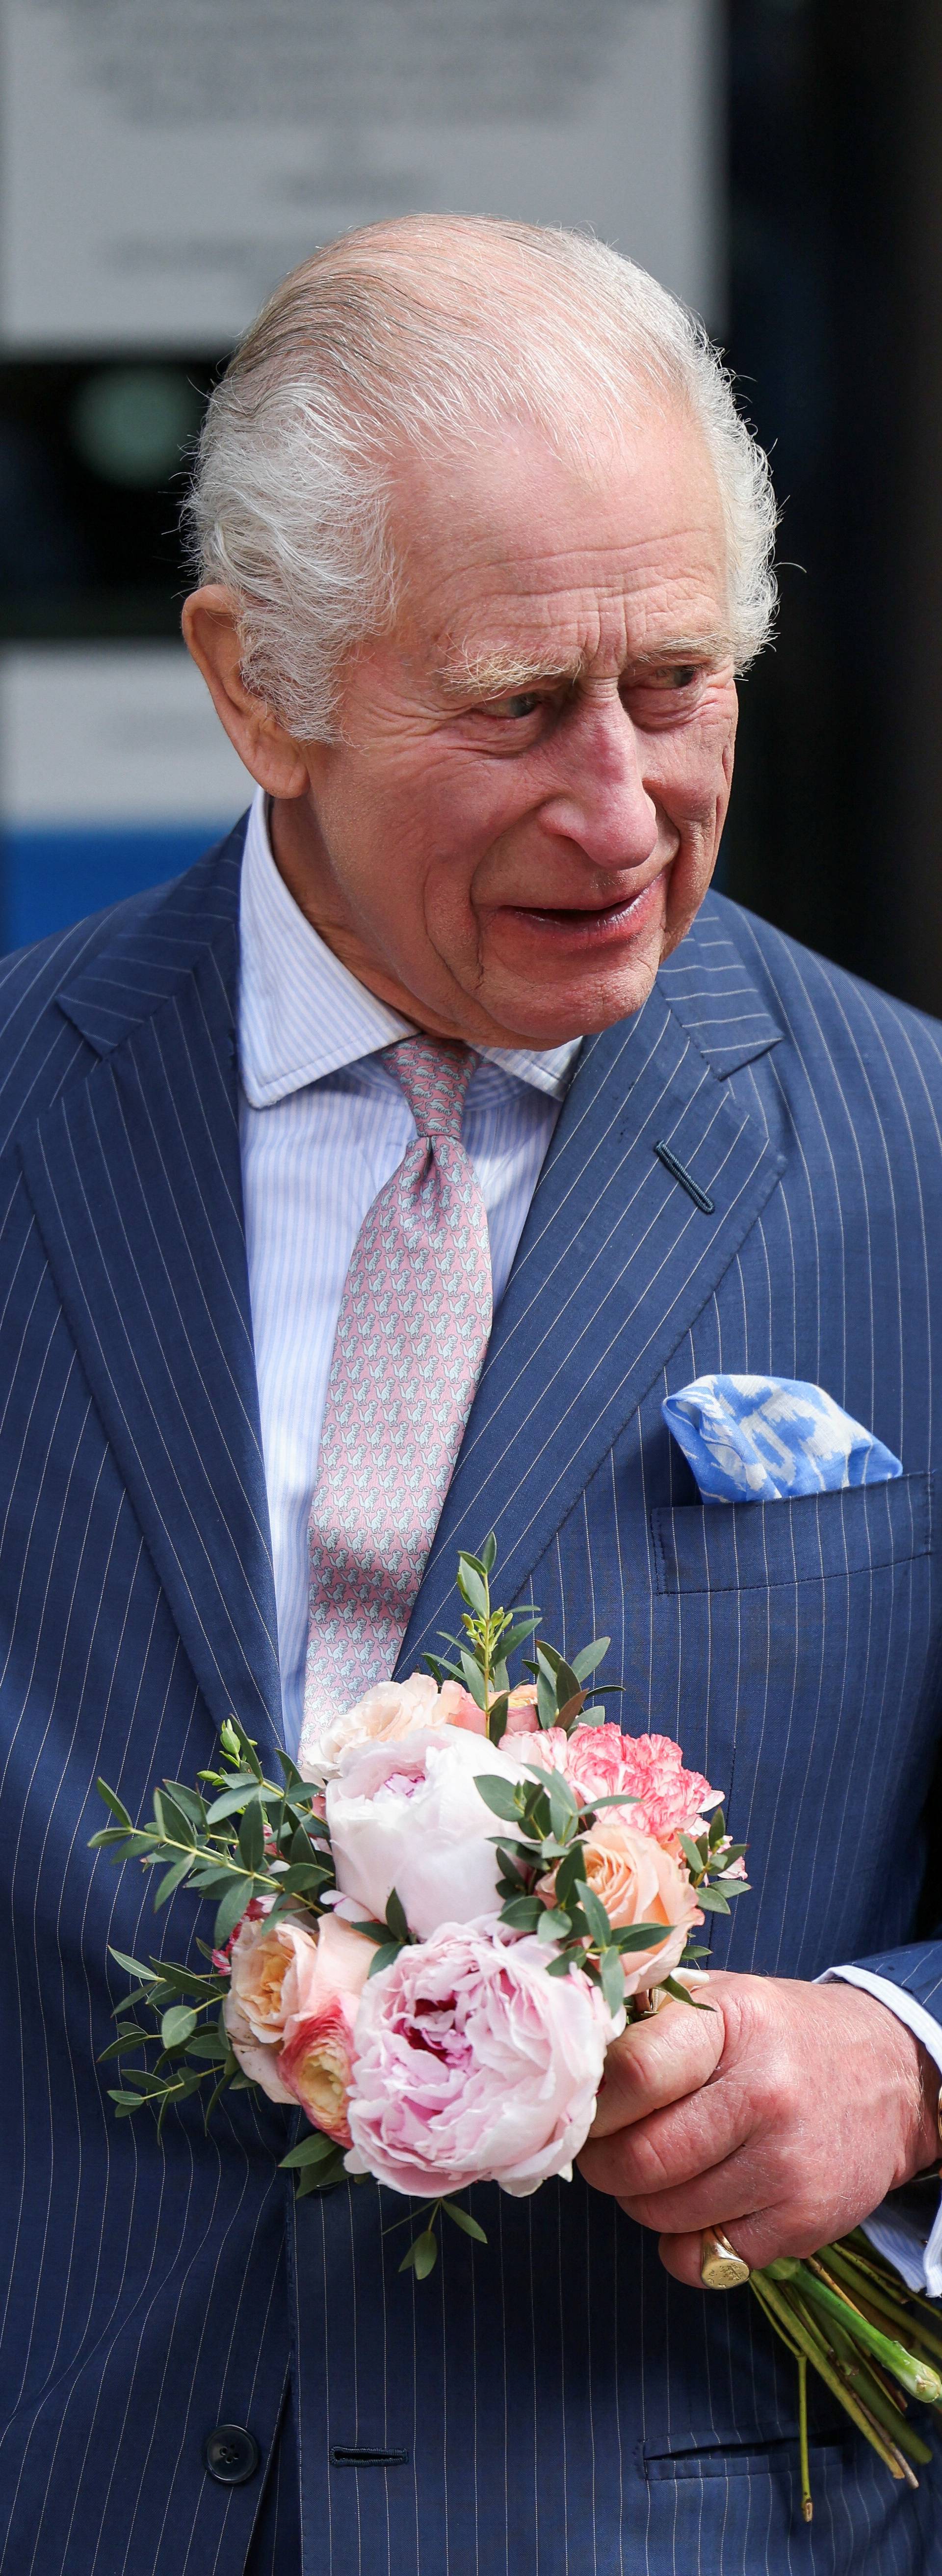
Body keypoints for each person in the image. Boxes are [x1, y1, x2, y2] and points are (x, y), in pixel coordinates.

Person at [0, 215, 940, 2576]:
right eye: (521, 705)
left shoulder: (924, 1154)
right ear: (257, 690)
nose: (625, 814)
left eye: (680, 685)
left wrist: (905, 2061)